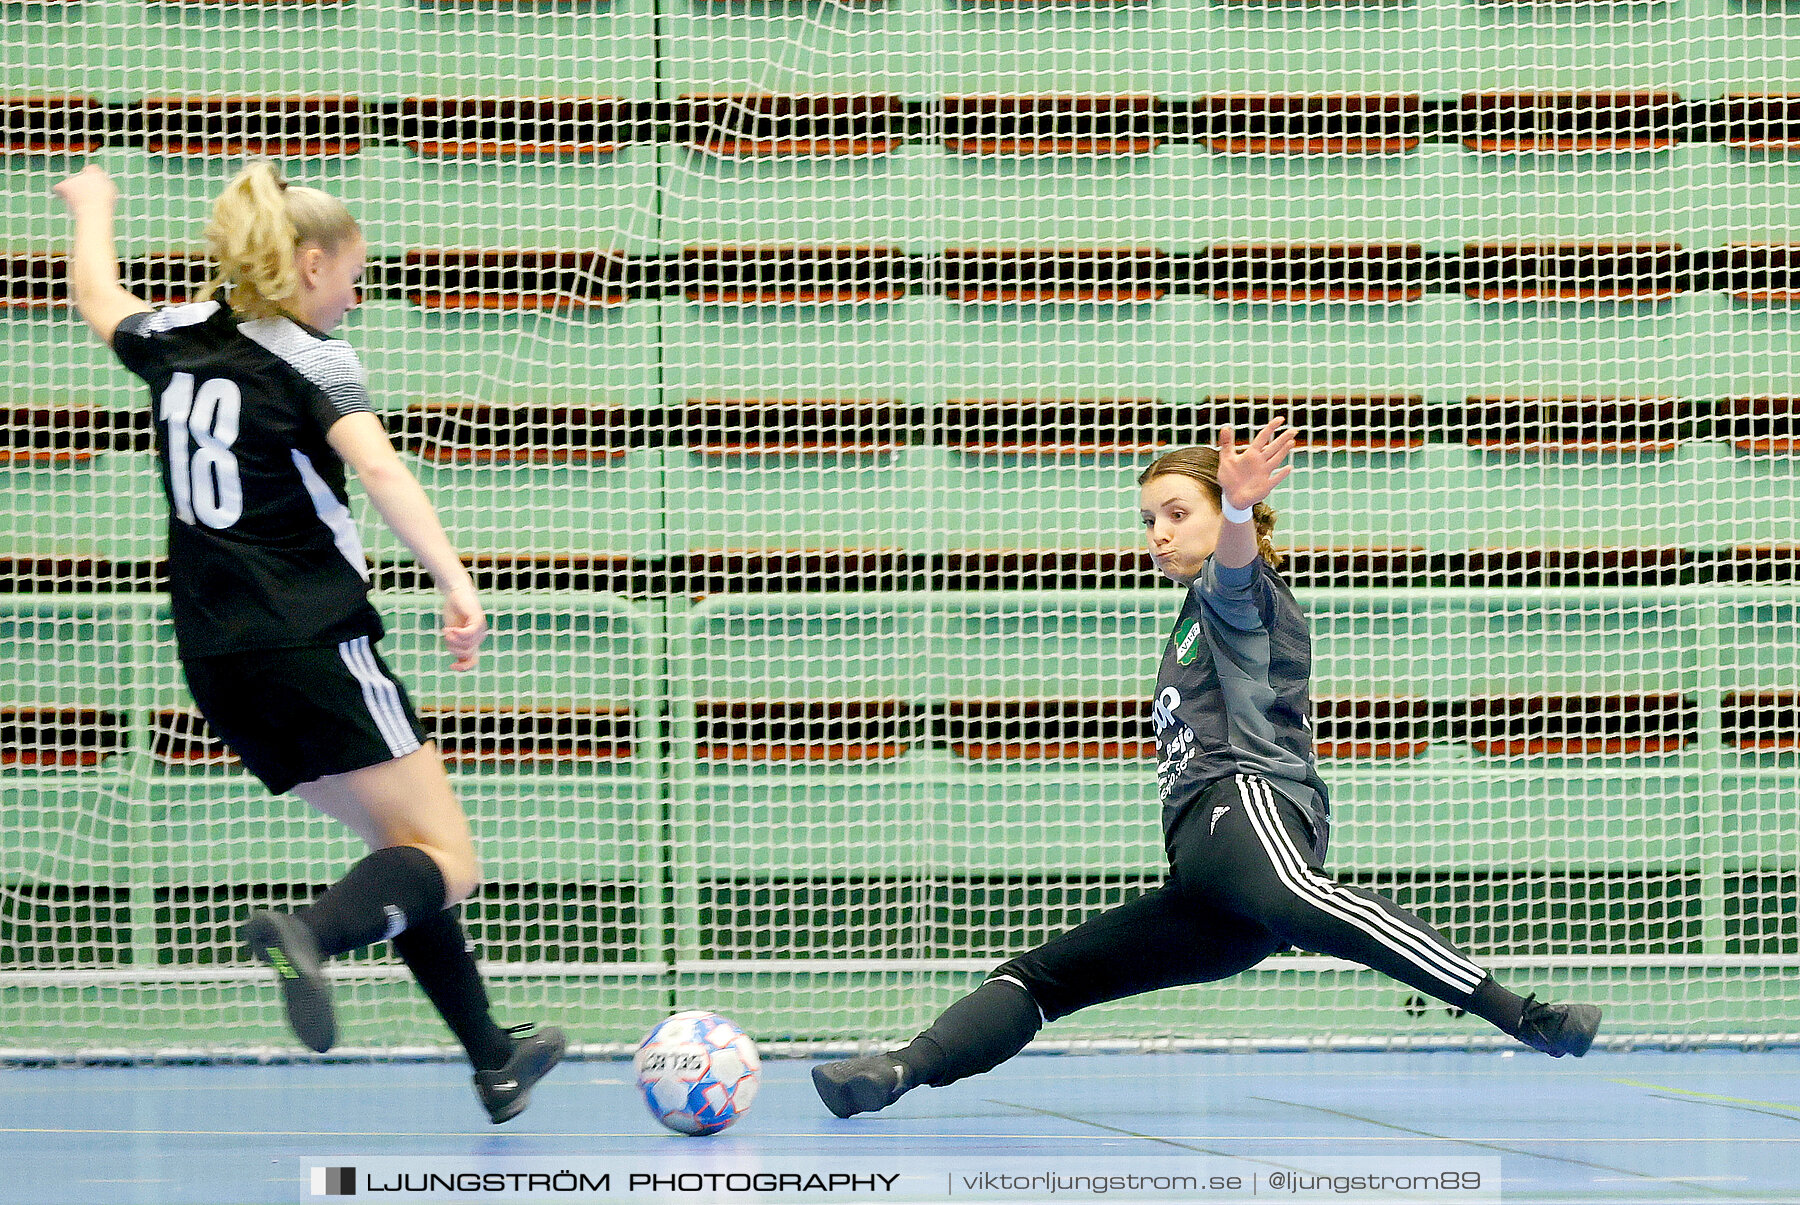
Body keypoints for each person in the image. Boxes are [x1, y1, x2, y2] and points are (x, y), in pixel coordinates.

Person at [813, 420, 1602, 1118]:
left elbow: (1232, 565)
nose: (1156, 532)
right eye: (1148, 518)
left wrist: (1230, 514)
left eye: (1175, 512)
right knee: (1041, 977)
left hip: (1250, 807)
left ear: (1233, 516)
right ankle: (895, 1070)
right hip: (1206, 876)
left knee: (1299, 897)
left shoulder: (1242, 594)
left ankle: (1528, 1015)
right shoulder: (1190, 620)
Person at [54, 162, 564, 1124]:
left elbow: (94, 296)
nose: (359, 295)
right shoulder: (313, 360)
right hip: (313, 640)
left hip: (213, 659)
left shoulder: (173, 338)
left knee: (398, 849)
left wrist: (94, 207)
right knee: (449, 858)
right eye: (353, 275)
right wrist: (456, 581)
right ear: (311, 264)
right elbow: (377, 467)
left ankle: (494, 1058)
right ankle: (313, 933)